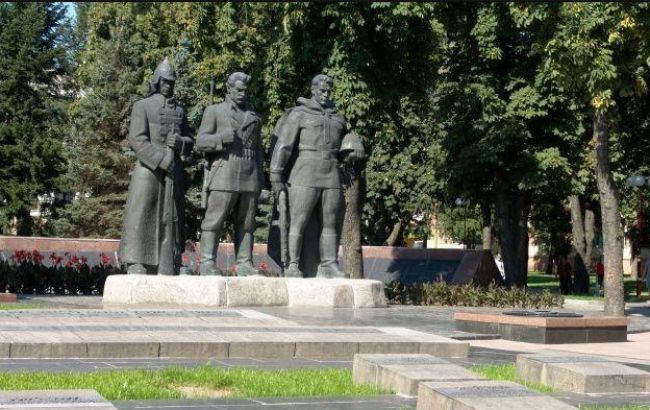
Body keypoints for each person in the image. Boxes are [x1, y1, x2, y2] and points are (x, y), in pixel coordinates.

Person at [270, 74, 364, 278]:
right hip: (305, 171)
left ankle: (329, 263)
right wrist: (275, 173)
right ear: (312, 90)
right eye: (322, 90)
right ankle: (293, 264)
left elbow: (344, 144)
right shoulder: (299, 114)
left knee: (330, 222)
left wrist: (351, 149)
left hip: (331, 172)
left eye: (329, 91)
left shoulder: (338, 117)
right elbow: (284, 146)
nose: (325, 94)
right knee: (298, 220)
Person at [119, 57, 193, 275]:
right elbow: (137, 139)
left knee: (173, 217)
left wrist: (180, 143)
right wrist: (161, 159)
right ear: (157, 81)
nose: (168, 85)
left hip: (173, 171)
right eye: (164, 81)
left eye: (171, 82)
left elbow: (190, 140)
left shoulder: (180, 110)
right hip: (149, 169)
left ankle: (172, 261)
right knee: (142, 213)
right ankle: (136, 260)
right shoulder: (142, 106)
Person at [196, 72, 263, 276]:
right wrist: (220, 138)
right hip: (224, 171)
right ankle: (207, 261)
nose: (242, 94)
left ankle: (244, 263)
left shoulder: (254, 117)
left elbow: (259, 153)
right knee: (214, 220)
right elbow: (201, 141)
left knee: (247, 223)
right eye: (238, 90)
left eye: (245, 90)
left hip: (249, 174)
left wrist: (261, 183)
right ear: (229, 89)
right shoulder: (215, 111)